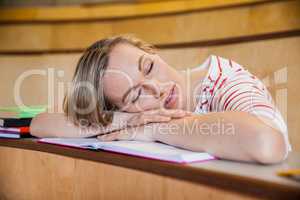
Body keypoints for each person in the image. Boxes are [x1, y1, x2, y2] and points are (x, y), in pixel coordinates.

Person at [30, 35, 291, 164]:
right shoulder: (131, 116)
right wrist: (126, 121)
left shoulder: (227, 83)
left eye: (149, 67)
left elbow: (266, 143)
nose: (157, 88)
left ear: (153, 53)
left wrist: (152, 128)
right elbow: (40, 124)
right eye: (135, 94)